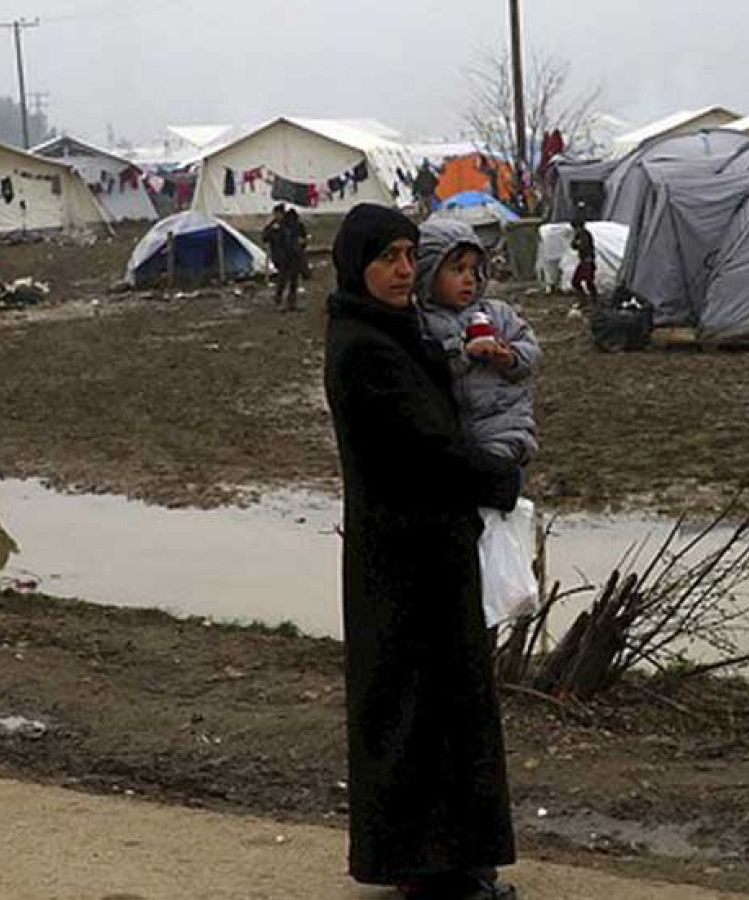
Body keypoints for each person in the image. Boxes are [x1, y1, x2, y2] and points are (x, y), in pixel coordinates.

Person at [324, 204, 521, 900]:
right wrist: (497, 475)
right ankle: (429, 871)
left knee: (448, 707)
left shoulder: (395, 328)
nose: (406, 270)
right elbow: (424, 448)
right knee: (416, 712)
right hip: (401, 562)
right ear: (358, 267)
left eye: (411, 255)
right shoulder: (362, 347)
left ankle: (457, 859)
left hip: (429, 552)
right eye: (388, 258)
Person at [414, 218, 540, 471]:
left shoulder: (497, 312)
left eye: (474, 271)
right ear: (428, 272)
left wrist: (511, 357)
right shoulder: (420, 321)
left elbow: (531, 349)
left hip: (502, 424)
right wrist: (462, 353)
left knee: (495, 481)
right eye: (457, 270)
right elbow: (425, 367)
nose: (469, 279)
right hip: (453, 432)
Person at [569, 216, 598, 306]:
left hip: (586, 261)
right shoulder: (581, 234)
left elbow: (582, 246)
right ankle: (592, 300)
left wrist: (577, 243)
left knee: (577, 281)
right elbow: (573, 245)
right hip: (586, 261)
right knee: (587, 281)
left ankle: (586, 301)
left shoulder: (584, 235)